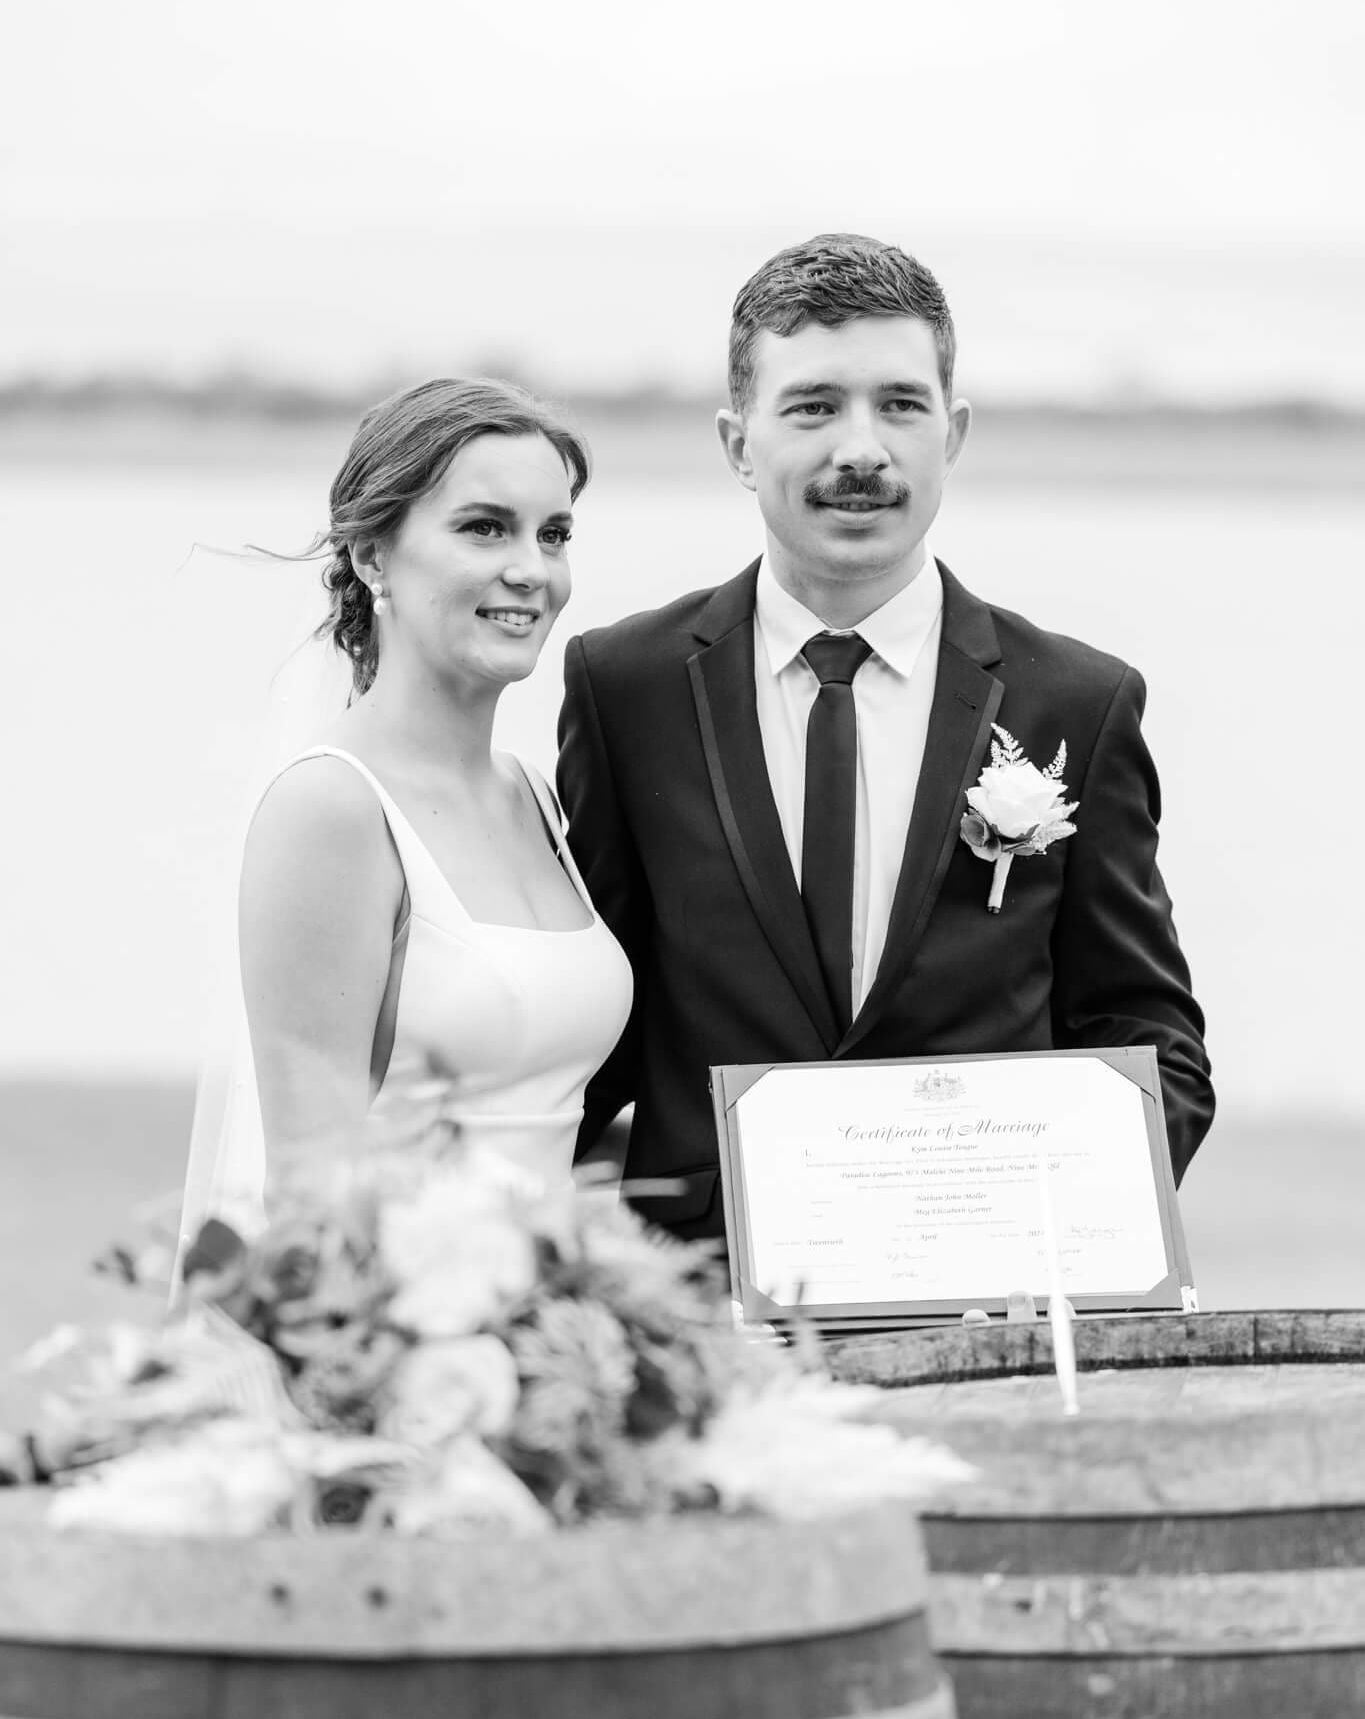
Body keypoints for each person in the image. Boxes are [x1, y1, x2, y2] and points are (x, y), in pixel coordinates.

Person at [557, 233, 1213, 1244]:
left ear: (950, 433)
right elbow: (593, 1036)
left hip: (987, 1317)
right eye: (814, 405)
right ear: (739, 443)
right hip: (703, 1316)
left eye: (900, 404)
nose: (861, 449)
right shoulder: (625, 686)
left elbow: (1151, 1041)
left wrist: (1048, 1230)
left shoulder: (1077, 702)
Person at [187, 377, 632, 1234]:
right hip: (416, 1336)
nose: (529, 570)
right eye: (483, 528)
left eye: (553, 534)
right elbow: (311, 1186)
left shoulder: (531, 794)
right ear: (372, 556)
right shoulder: (332, 809)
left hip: (559, 1327)